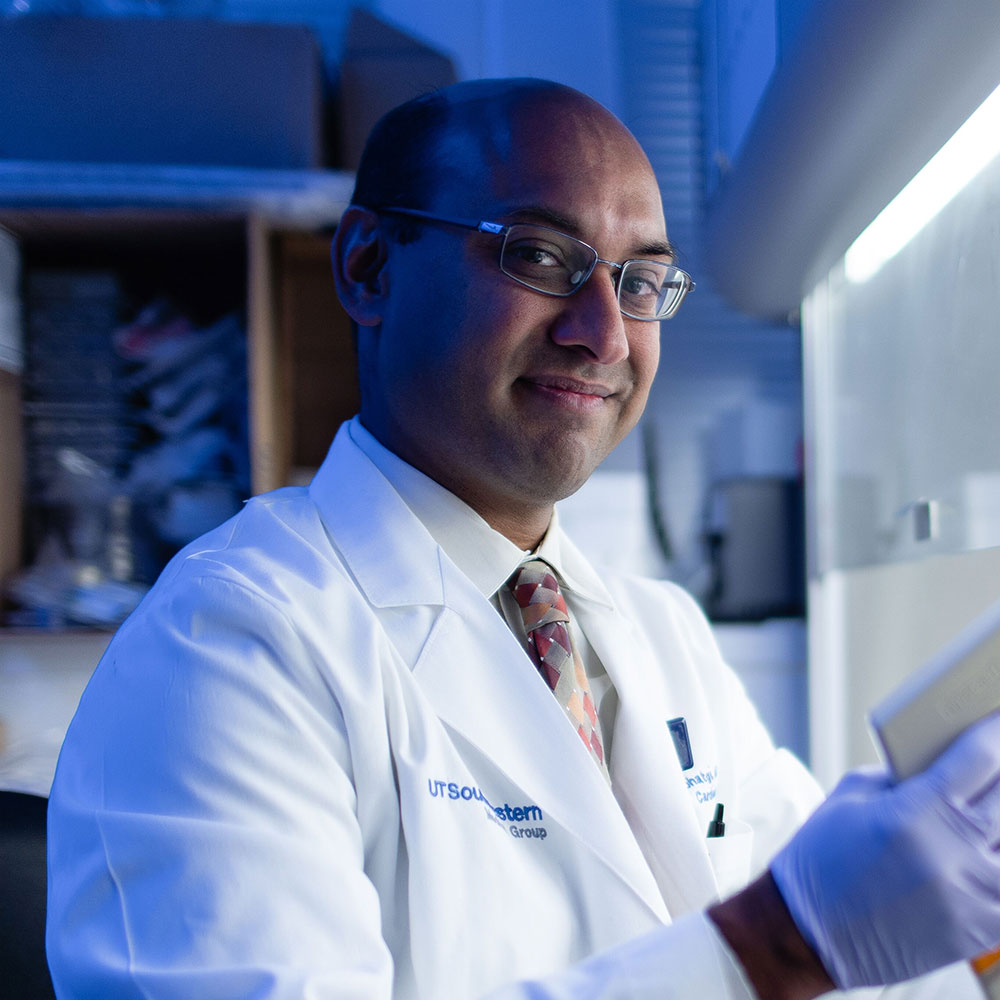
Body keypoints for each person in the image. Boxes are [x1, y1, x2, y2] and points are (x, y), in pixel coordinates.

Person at [46, 78, 1000, 1000]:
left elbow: (868, 941)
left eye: (641, 282)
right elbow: (799, 935)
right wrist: (779, 945)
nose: (606, 337)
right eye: (540, 257)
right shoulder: (227, 645)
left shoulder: (663, 634)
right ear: (369, 267)